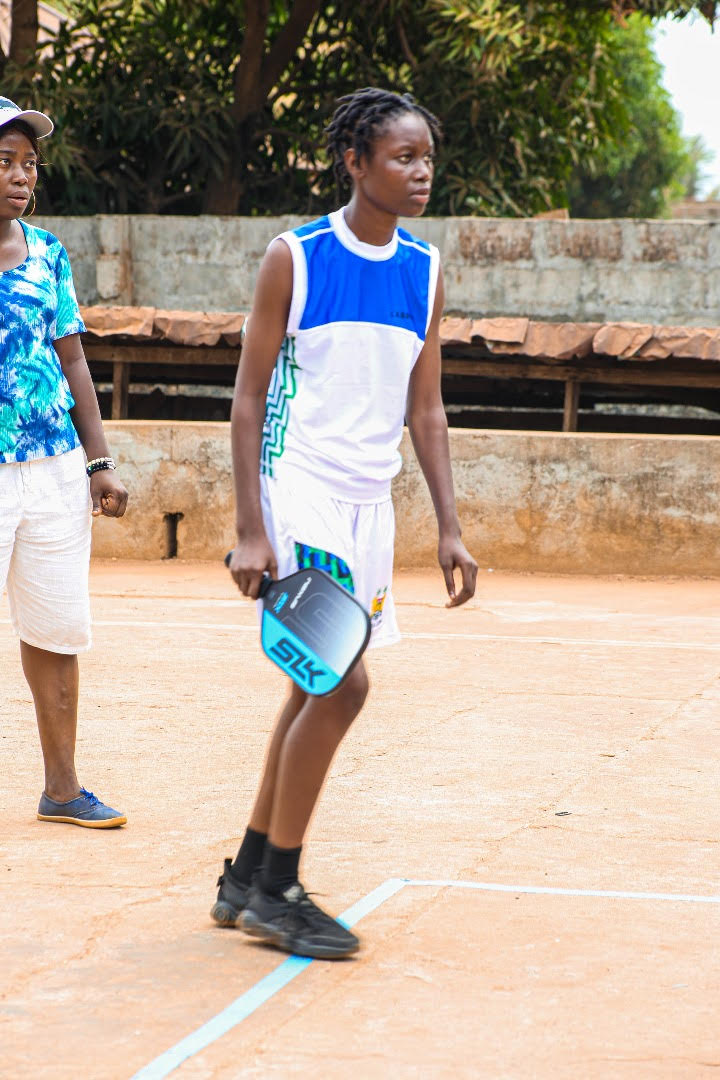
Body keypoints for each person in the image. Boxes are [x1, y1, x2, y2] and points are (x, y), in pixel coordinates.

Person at [212, 87, 477, 956]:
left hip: (369, 505)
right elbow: (248, 400)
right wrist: (253, 528)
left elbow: (426, 411)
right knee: (344, 683)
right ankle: (280, 891)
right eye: (402, 157)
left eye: (426, 158)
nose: (420, 172)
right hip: (299, 492)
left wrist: (449, 526)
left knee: (312, 682)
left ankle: (248, 874)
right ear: (355, 162)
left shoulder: (426, 269)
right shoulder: (298, 255)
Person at [0, 97, 129, 827]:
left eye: (29, 165)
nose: (22, 177)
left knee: (55, 628)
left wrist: (98, 461)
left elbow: (73, 361)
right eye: (5, 163)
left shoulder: (48, 253)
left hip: (52, 468)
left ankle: (62, 788)